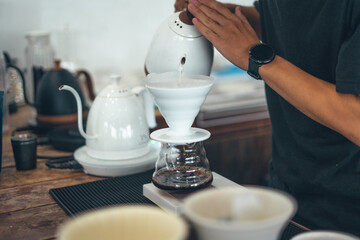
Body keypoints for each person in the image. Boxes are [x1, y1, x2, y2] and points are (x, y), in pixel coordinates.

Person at [175, 0, 360, 236]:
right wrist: (217, 16)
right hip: (289, 188)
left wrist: (255, 56)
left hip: (348, 210)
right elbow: (278, 21)